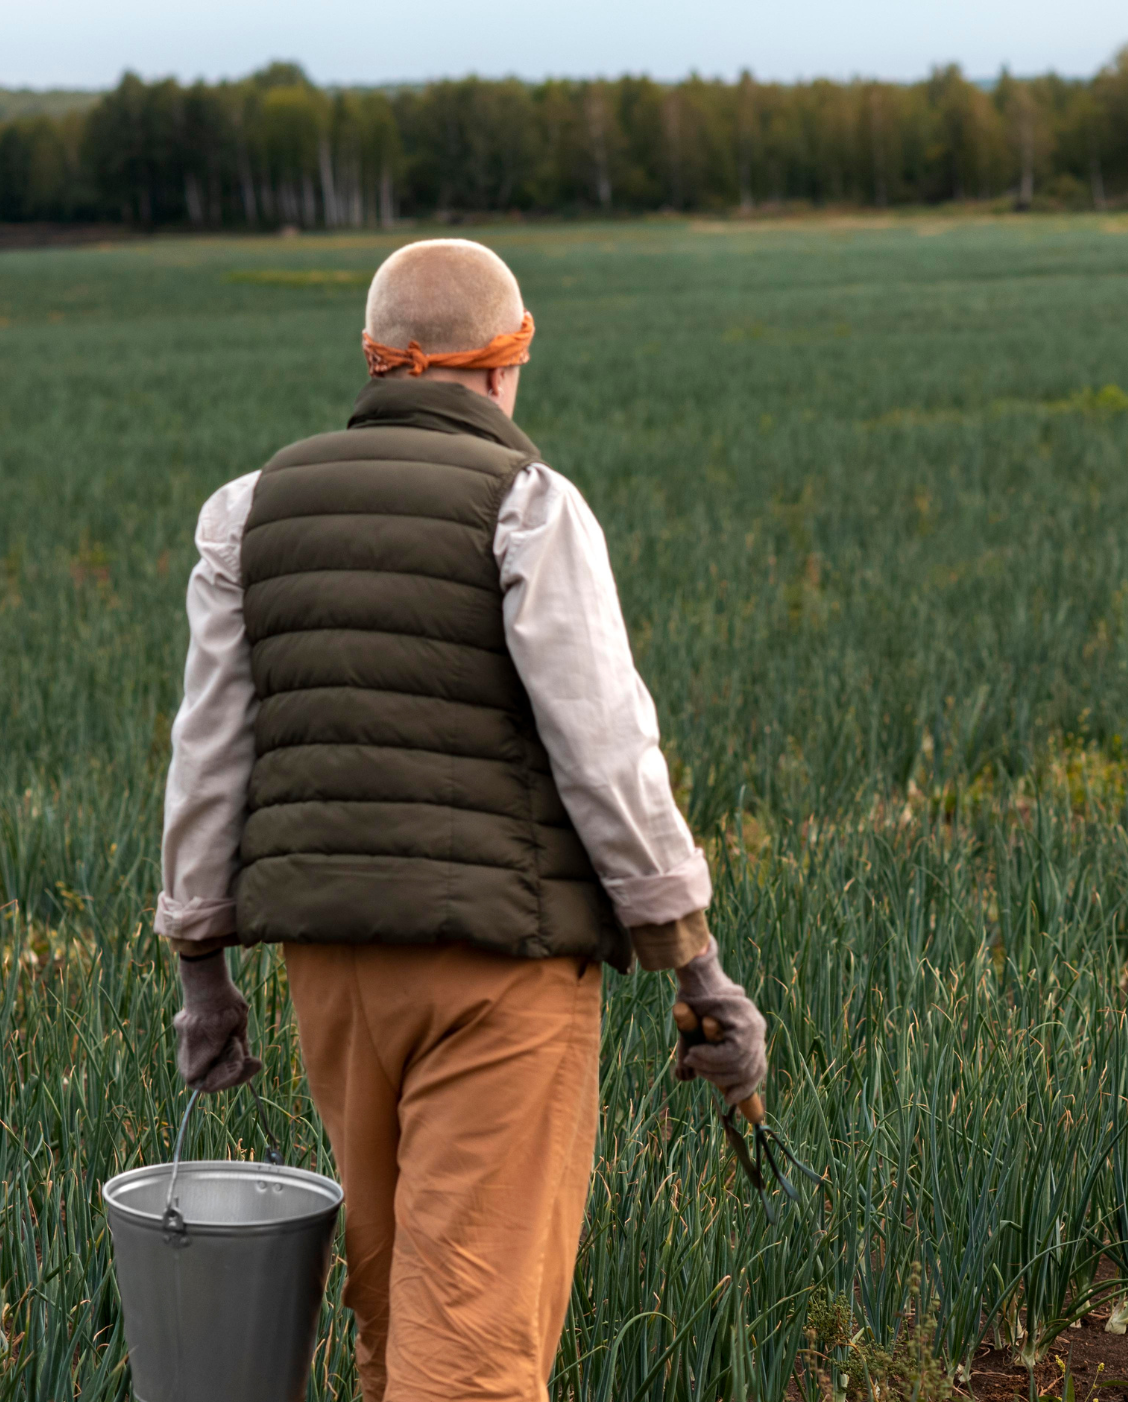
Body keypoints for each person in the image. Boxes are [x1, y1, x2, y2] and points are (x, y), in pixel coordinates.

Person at [152, 238, 767, 1402]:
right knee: (474, 1342)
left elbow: (207, 755)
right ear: (503, 362)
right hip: (501, 975)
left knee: (395, 1314)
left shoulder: (246, 512)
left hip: (329, 971)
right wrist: (696, 963)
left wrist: (201, 967)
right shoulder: (528, 504)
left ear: (380, 364)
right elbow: (605, 751)